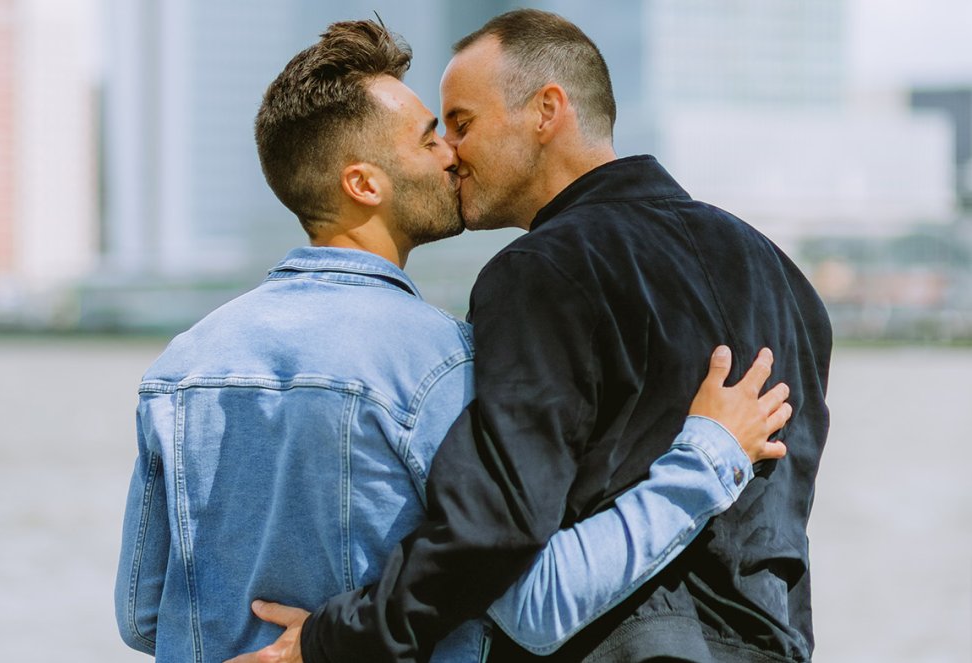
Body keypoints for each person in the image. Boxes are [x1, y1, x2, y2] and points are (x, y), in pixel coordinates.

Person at [115, 19, 794, 663]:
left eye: (456, 127)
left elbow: (140, 614)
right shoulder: (445, 361)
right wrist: (708, 455)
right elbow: (529, 594)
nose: (451, 153)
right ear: (363, 182)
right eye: (432, 136)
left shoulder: (180, 366)